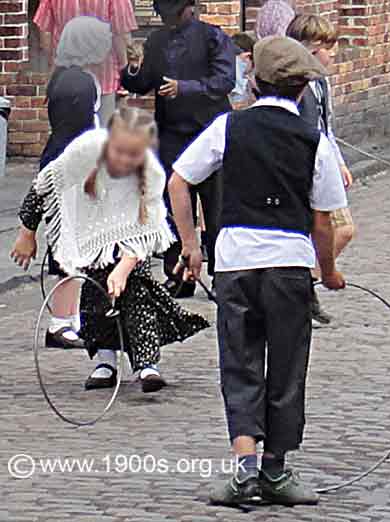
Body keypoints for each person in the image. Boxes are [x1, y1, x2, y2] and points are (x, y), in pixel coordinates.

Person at [169, 36, 347, 506]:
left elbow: (179, 180)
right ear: (304, 90)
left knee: (240, 360)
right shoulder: (315, 141)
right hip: (289, 265)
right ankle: (276, 470)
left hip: (235, 262)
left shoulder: (229, 126)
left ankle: (244, 470)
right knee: (287, 366)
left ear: (253, 81)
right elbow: (323, 220)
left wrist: (192, 246)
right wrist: (327, 271)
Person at [31, 107, 209, 392]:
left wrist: (124, 268)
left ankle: (146, 364)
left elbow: (145, 230)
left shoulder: (150, 173)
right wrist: (27, 234)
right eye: (120, 152)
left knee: (136, 295)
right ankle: (105, 361)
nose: (125, 161)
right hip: (91, 234)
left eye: (133, 155)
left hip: (130, 240)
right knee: (96, 299)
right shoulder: (85, 153)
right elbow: (44, 187)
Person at [121, 0, 235, 299]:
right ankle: (179, 272)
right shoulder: (157, 40)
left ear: (190, 9)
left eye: (173, 14)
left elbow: (224, 80)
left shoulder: (213, 37)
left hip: (209, 131)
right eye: (163, 15)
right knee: (171, 207)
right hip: (172, 132)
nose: (168, 20)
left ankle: (221, 274)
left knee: (216, 205)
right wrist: (133, 69)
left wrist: (184, 87)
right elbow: (142, 83)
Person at [11, 16, 112, 349]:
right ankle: (61, 321)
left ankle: (70, 318)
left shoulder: (69, 78)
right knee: (68, 250)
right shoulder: (78, 83)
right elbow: (76, 134)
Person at [287, 14, 355, 326]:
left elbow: (327, 128)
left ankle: (307, 285)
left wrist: (338, 161)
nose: (333, 54)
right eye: (328, 48)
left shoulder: (322, 83)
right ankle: (306, 287)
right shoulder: (297, 83)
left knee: (341, 228)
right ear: (313, 49)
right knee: (329, 228)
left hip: (324, 162)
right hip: (305, 167)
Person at [33, 0, 137, 126]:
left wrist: (54, 62)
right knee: (102, 137)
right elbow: (121, 34)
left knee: (66, 137)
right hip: (104, 78)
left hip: (65, 77)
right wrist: (125, 71)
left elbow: (44, 30)